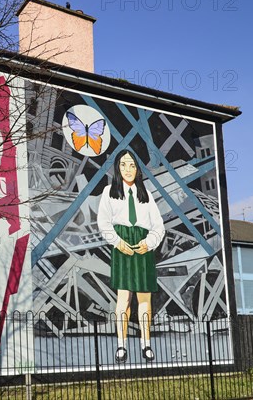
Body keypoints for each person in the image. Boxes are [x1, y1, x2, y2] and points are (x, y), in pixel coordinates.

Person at [97, 149, 165, 363]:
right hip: (122, 243)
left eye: (133, 165)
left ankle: (146, 345)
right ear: (117, 167)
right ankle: (121, 346)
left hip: (143, 245)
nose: (128, 169)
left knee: (144, 299)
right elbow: (103, 222)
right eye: (124, 164)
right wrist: (117, 242)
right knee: (123, 299)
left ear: (138, 169)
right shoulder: (109, 191)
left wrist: (149, 243)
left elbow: (158, 226)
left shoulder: (146, 195)